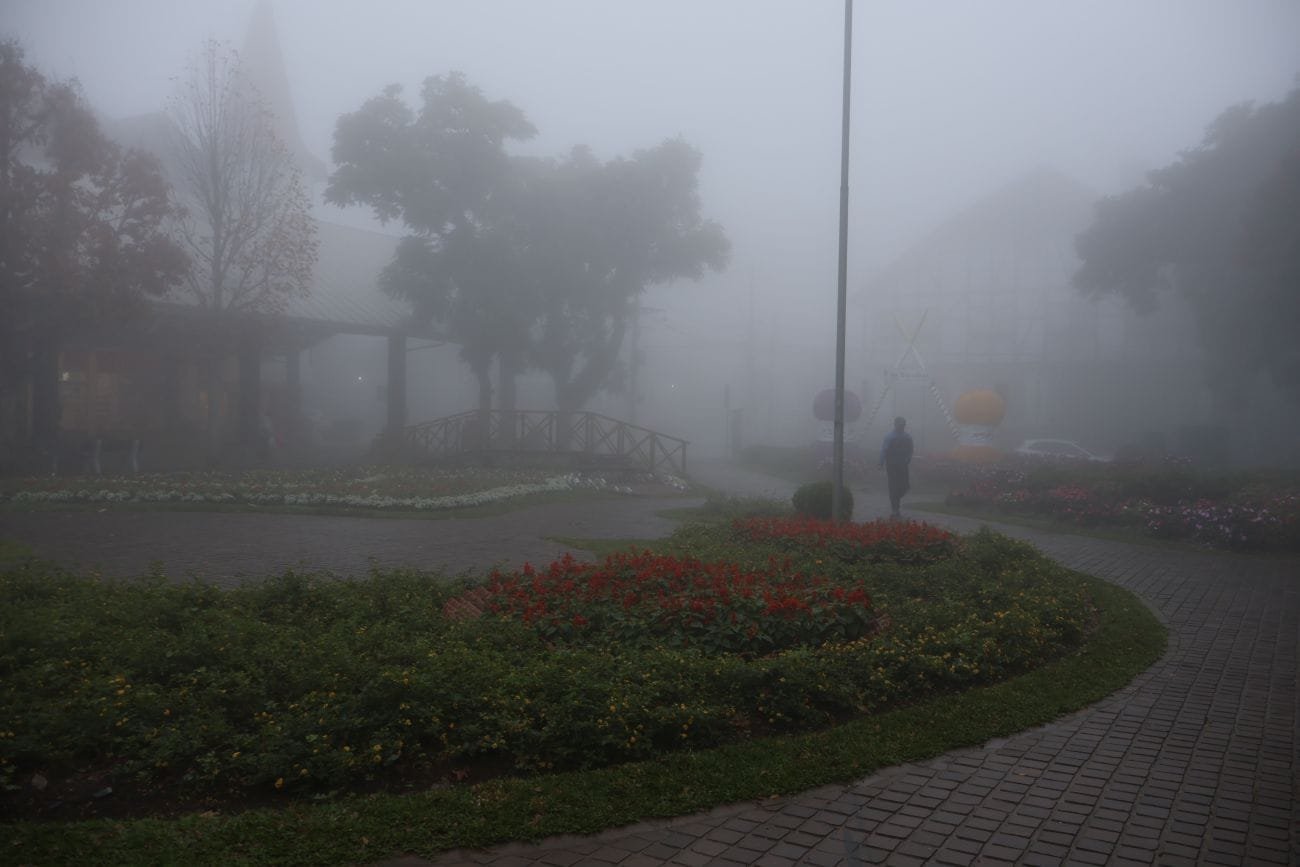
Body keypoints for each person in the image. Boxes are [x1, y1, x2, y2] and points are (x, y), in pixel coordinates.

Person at [879, 416, 914, 518]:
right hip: (892, 466)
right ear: (895, 425)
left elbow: (911, 450)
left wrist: (908, 460)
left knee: (905, 486)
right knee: (893, 486)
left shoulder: (908, 437)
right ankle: (895, 509)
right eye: (899, 425)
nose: (901, 427)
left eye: (903, 425)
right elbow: (884, 450)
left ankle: (895, 499)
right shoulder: (889, 437)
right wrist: (880, 462)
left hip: (903, 465)